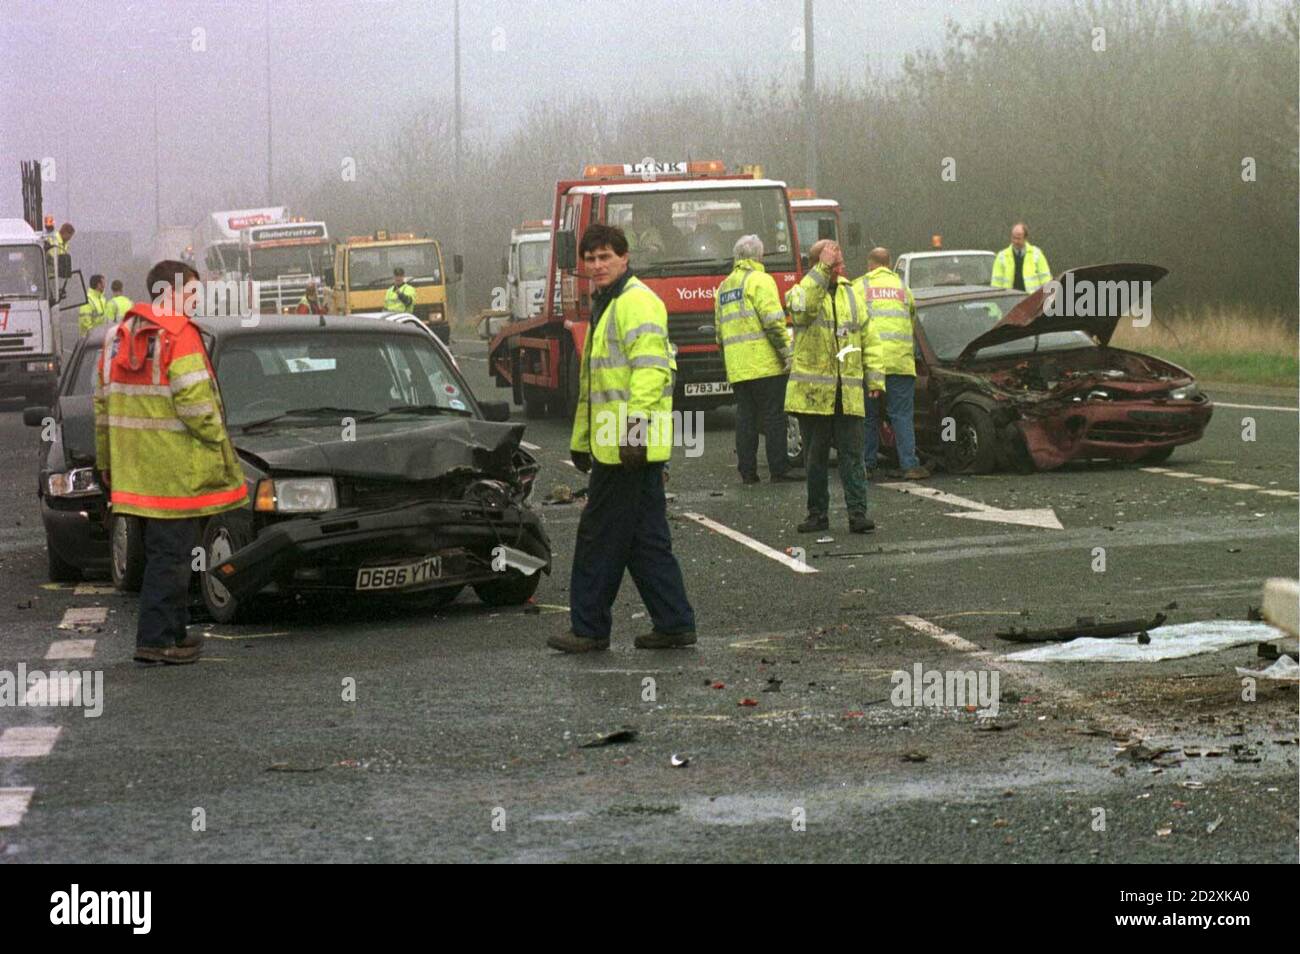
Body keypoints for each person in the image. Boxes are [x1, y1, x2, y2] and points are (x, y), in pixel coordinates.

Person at [548, 223, 695, 654]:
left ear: (625, 257)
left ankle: (589, 629)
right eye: (590, 259)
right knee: (645, 541)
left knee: (598, 538)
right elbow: (595, 387)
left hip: (626, 449)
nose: (597, 265)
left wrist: (633, 434)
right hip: (617, 447)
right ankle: (674, 622)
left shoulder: (637, 303)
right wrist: (581, 440)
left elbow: (651, 372)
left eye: (605, 257)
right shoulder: (608, 305)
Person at [94, 260, 248, 664]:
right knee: (172, 557)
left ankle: (174, 632)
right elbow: (197, 406)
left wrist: (106, 463)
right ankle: (157, 640)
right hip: (176, 474)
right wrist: (221, 443)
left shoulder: (116, 337)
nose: (197, 299)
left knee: (165, 554)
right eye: (193, 291)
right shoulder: (180, 337)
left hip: (134, 473)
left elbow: (102, 407)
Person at [785, 239, 877, 534]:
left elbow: (869, 338)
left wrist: (875, 378)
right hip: (814, 395)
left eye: (838, 263)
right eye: (834, 263)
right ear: (818, 264)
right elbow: (803, 311)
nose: (841, 267)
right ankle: (817, 514)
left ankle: (858, 513)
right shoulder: (801, 291)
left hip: (846, 392)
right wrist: (822, 270)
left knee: (852, 456)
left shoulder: (852, 295)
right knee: (815, 458)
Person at [714, 234, 799, 484]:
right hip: (765, 365)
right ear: (758, 256)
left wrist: (728, 362)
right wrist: (787, 353)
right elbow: (773, 323)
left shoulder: (724, 286)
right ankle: (779, 469)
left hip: (739, 367)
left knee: (746, 419)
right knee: (774, 417)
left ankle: (748, 471)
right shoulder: (761, 280)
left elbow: (719, 333)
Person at [858, 247, 928, 480]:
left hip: (870, 365)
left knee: (868, 417)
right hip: (900, 362)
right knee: (901, 416)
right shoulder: (902, 288)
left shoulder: (861, 286)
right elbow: (911, 319)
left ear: (870, 265)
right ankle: (909, 465)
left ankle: (866, 465)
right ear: (888, 264)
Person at [991, 222, 1051, 292]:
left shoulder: (1037, 254)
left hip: (1032, 299)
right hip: (1009, 299)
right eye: (1014, 238)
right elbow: (996, 283)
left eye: (1019, 238)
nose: (1016, 241)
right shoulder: (1002, 256)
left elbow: (1045, 279)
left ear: (1025, 238)